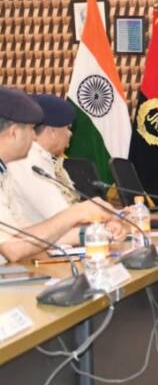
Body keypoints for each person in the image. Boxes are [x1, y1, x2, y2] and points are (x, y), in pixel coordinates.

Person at [0, 86, 124, 264]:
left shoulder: (4, 173)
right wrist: (77, 213)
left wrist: (96, 232)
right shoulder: (21, 166)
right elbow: (13, 249)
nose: (34, 137)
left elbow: (25, 234)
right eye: (31, 129)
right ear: (13, 133)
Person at [8, 94, 79, 225]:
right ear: (52, 132)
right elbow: (62, 216)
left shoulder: (41, 157)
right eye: (67, 128)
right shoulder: (28, 161)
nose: (70, 133)